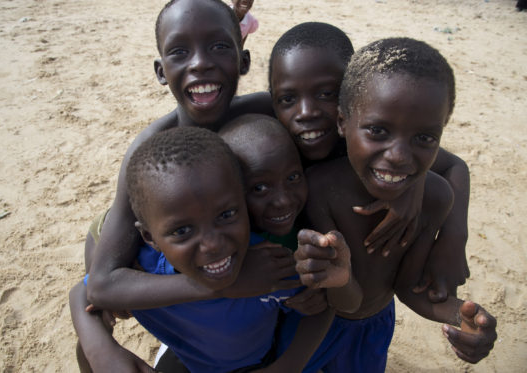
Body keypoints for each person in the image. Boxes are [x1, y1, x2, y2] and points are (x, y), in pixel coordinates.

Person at [294, 37, 498, 372]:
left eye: (424, 138)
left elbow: (407, 286)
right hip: (317, 324)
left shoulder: (436, 196)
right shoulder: (320, 189)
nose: (399, 156)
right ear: (342, 122)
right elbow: (344, 297)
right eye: (377, 130)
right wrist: (342, 278)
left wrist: (461, 316)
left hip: (374, 326)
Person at [71, 126, 337, 372]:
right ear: (150, 237)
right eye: (183, 231)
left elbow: (323, 307)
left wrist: (287, 367)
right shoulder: (141, 272)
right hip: (186, 360)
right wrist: (102, 351)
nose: (213, 244)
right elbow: (82, 294)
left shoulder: (267, 265)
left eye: (227, 214)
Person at [85, 0, 286, 314]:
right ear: (160, 71)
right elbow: (101, 284)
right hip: (199, 281)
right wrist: (223, 286)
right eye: (179, 51)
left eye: (219, 46)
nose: (200, 63)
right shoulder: (150, 148)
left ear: (243, 61)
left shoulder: (265, 112)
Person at [269, 22, 471, 304]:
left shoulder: (371, 138)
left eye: (327, 94)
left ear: (350, 97)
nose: (307, 112)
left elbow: (454, 166)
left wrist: (453, 236)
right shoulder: (273, 140)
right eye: (288, 98)